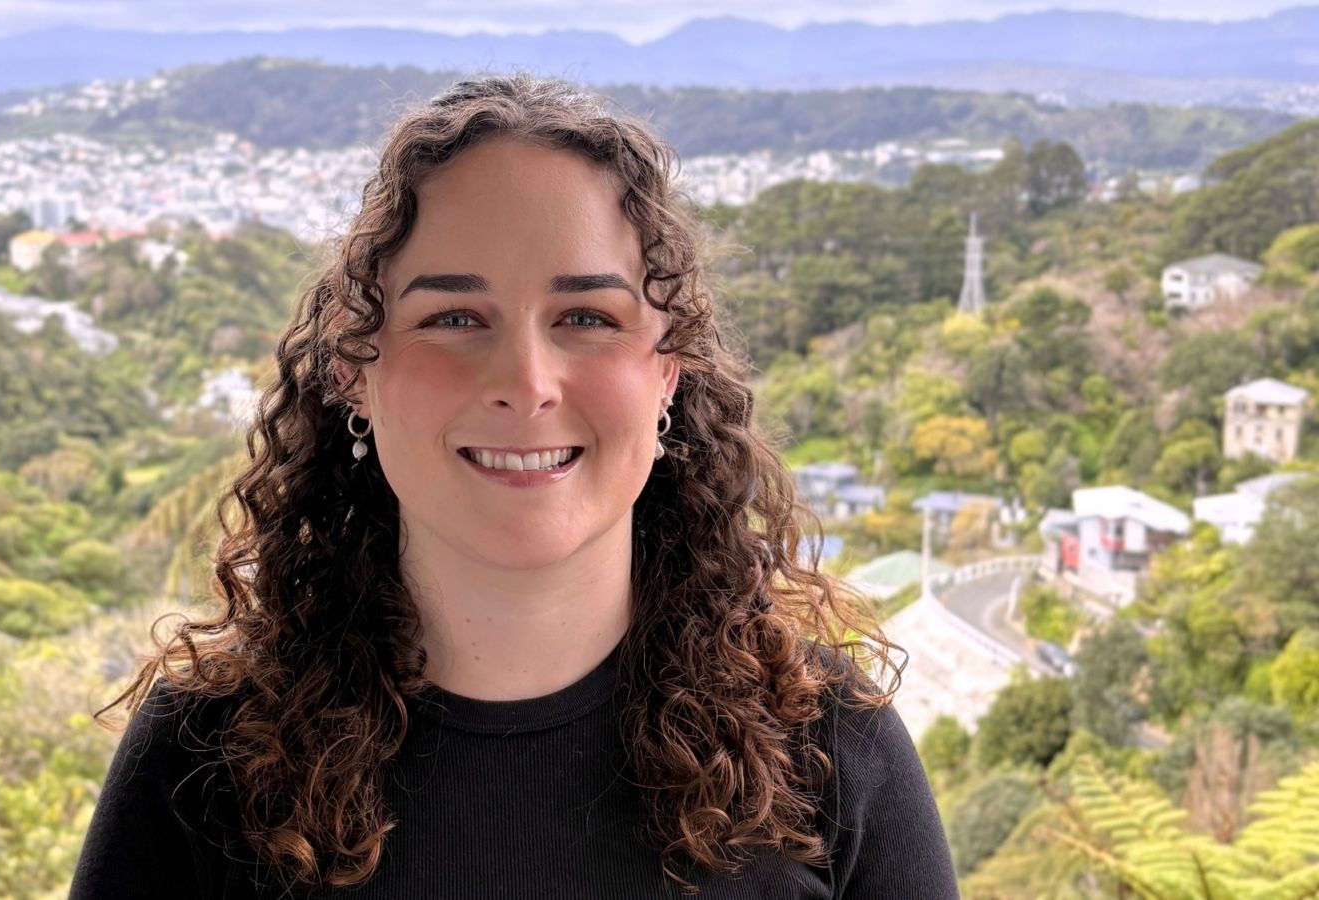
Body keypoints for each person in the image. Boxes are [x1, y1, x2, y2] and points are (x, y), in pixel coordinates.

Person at [69, 73, 959, 899]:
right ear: (353, 371)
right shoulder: (208, 756)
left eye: (586, 317)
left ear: (669, 374)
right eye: (454, 317)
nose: (526, 381)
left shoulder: (828, 745)